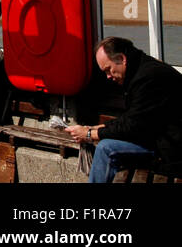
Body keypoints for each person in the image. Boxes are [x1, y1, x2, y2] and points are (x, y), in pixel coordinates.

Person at [66, 36, 182, 183]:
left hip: (171, 151)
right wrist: (96, 128)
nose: (108, 76)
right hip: (158, 138)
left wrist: (89, 134)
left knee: (105, 148)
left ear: (121, 58)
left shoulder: (147, 78)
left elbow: (132, 126)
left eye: (109, 70)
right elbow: (133, 118)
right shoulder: (141, 69)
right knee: (105, 145)